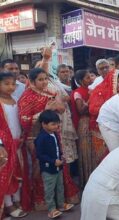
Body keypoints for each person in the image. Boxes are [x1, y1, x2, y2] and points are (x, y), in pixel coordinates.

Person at [18, 68, 79, 211]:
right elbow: (24, 121)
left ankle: (61, 200)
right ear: (31, 81)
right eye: (40, 79)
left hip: (54, 135)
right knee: (44, 170)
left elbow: (62, 109)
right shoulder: (26, 97)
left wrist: (58, 106)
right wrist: (44, 111)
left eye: (46, 79)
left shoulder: (50, 93)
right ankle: (45, 203)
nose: (44, 82)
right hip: (36, 139)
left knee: (59, 168)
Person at [34, 110, 74, 218]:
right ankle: (51, 209)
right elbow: (40, 155)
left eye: (57, 123)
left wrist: (61, 156)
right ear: (43, 124)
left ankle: (61, 205)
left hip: (58, 167)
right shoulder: (41, 138)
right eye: (53, 124)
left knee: (60, 187)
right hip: (48, 169)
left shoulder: (54, 134)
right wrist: (53, 161)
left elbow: (57, 148)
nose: (57, 126)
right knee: (49, 190)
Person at [0, 72, 28, 218]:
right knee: (6, 177)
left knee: (18, 173)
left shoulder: (16, 99)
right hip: (3, 148)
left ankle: (17, 201)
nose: (11, 87)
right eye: (6, 83)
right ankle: (9, 206)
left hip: (18, 144)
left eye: (13, 84)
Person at [88, 70, 119, 169]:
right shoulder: (99, 90)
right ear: (113, 80)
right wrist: (110, 108)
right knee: (105, 157)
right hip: (100, 128)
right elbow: (92, 109)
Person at [70, 70, 94, 187]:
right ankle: (86, 180)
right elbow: (80, 110)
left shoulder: (90, 90)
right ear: (80, 81)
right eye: (87, 77)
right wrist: (90, 99)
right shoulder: (77, 93)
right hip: (84, 123)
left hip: (92, 123)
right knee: (85, 153)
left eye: (90, 77)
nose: (91, 79)